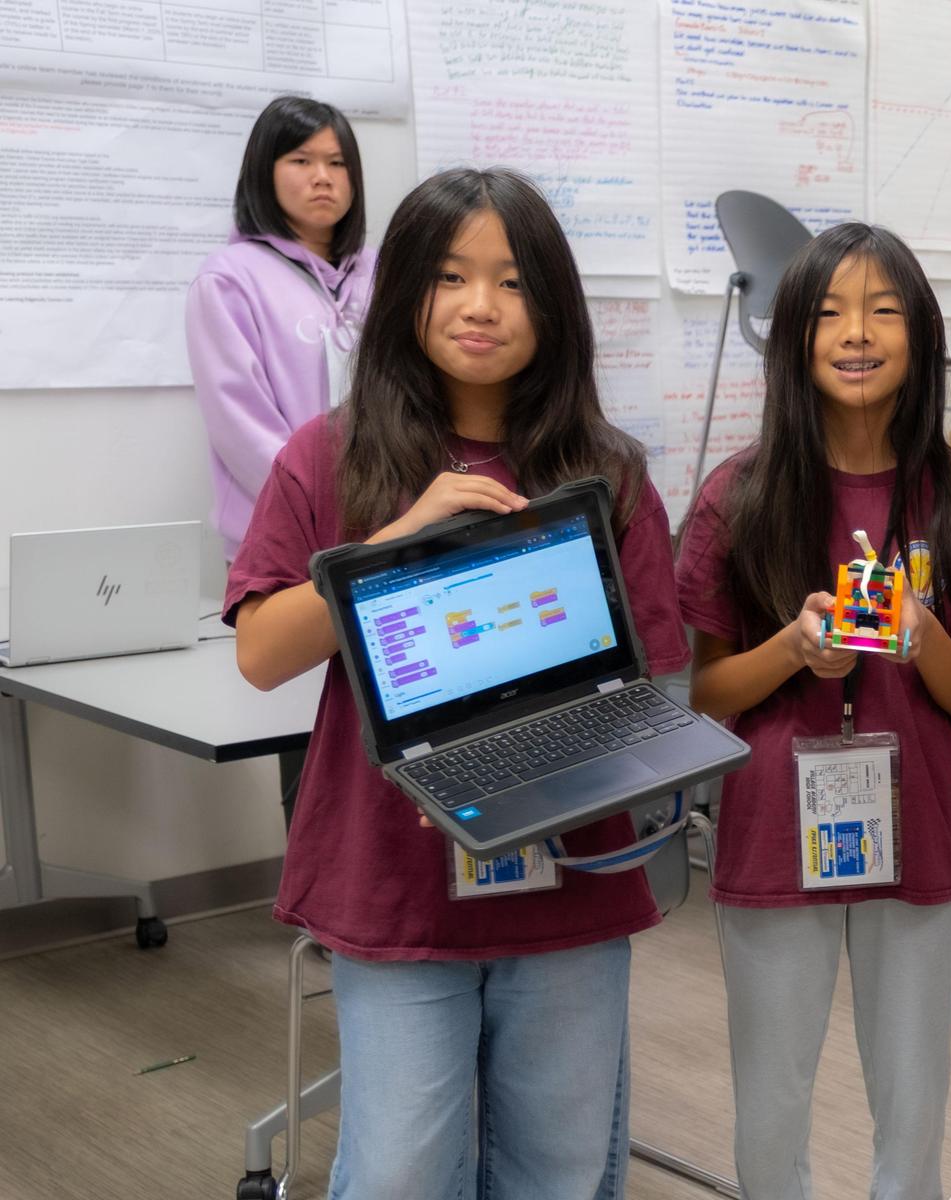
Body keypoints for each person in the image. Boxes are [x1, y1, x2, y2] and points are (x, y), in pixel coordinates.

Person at [226, 167, 685, 1198]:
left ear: (553, 307)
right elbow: (262, 654)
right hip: (393, 881)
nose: (480, 306)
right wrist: (397, 541)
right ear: (403, 297)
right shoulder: (330, 457)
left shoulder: (606, 473)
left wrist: (528, 782)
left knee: (558, 1172)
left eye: (512, 281)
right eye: (449, 276)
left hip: (567, 880)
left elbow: (646, 681)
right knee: (397, 1170)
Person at [674, 222, 951, 1200]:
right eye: (830, 311)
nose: (856, 332)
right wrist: (792, 649)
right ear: (793, 336)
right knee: (770, 1105)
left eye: (883, 310)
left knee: (913, 1103)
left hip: (914, 832)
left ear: (917, 334)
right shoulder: (739, 496)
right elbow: (702, 694)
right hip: (766, 833)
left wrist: (922, 635)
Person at [188, 95, 376, 827]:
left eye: (337, 162)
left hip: (388, 522)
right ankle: (323, 902)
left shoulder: (380, 270)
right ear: (265, 173)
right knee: (309, 723)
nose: (322, 177)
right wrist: (320, 510)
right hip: (292, 536)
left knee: (391, 708)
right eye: (300, 161)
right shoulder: (229, 277)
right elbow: (238, 419)